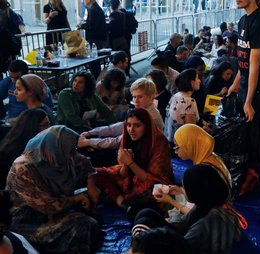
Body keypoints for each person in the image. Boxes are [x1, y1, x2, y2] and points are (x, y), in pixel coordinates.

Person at [6, 126, 100, 254]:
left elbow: (85, 164)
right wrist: (76, 199)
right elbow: (48, 206)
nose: (72, 155)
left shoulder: (59, 155)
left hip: (55, 208)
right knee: (82, 225)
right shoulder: (23, 168)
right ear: (55, 147)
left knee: (92, 217)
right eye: (71, 151)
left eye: (74, 150)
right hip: (27, 220)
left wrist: (91, 186)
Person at [227, 0, 260, 195]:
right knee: (244, 134)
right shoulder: (243, 20)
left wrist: (248, 100)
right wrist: (235, 84)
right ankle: (243, 172)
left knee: (256, 134)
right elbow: (243, 60)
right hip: (245, 88)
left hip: (258, 92)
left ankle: (254, 175)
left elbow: (255, 64)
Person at [88, 108, 173, 215]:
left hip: (149, 182)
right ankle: (122, 202)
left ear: (146, 126)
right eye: (128, 125)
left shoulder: (159, 142)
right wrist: (127, 164)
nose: (131, 130)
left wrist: (130, 163)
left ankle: (123, 200)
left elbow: (154, 179)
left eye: (137, 125)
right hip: (130, 181)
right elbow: (123, 174)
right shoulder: (127, 138)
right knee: (96, 173)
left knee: (155, 190)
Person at [78, 78, 164, 150]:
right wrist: (91, 132)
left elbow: (119, 141)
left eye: (140, 97)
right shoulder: (144, 109)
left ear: (151, 97)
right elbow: (120, 126)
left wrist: (89, 142)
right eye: (134, 97)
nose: (136, 101)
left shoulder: (149, 116)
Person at [0, 108, 50, 188]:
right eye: (45, 125)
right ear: (32, 127)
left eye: (49, 124)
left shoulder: (36, 143)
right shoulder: (18, 151)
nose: (49, 129)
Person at [164, 69, 201, 142]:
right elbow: (190, 130)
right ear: (191, 82)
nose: (199, 81)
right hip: (182, 142)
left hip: (170, 138)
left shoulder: (175, 96)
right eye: (197, 78)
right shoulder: (189, 101)